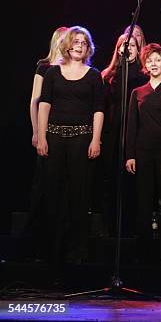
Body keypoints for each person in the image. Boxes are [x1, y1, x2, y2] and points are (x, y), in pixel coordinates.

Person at [37, 26, 104, 265]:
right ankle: (51, 252)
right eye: (75, 41)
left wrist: (96, 139)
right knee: (53, 194)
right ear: (67, 45)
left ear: (88, 48)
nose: (78, 45)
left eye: (83, 43)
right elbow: (44, 105)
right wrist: (42, 136)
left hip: (81, 139)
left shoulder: (94, 74)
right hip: (54, 138)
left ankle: (78, 252)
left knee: (79, 195)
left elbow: (98, 109)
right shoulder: (53, 73)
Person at [126, 43, 161, 263]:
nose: (153, 64)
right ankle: (144, 253)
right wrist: (130, 155)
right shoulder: (137, 93)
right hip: (142, 153)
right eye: (150, 61)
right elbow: (132, 126)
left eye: (158, 60)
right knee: (144, 202)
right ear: (145, 65)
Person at [99, 32, 148, 236]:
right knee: (110, 179)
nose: (127, 48)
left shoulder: (143, 76)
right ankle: (109, 228)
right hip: (112, 133)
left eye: (132, 46)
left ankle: (131, 229)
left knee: (133, 182)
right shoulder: (108, 76)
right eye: (123, 45)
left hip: (136, 134)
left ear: (138, 50)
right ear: (118, 49)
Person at [28, 26, 69, 261]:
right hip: (46, 132)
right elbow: (35, 102)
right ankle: (37, 240)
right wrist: (36, 131)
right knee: (42, 185)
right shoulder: (44, 67)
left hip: (65, 134)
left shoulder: (72, 69)